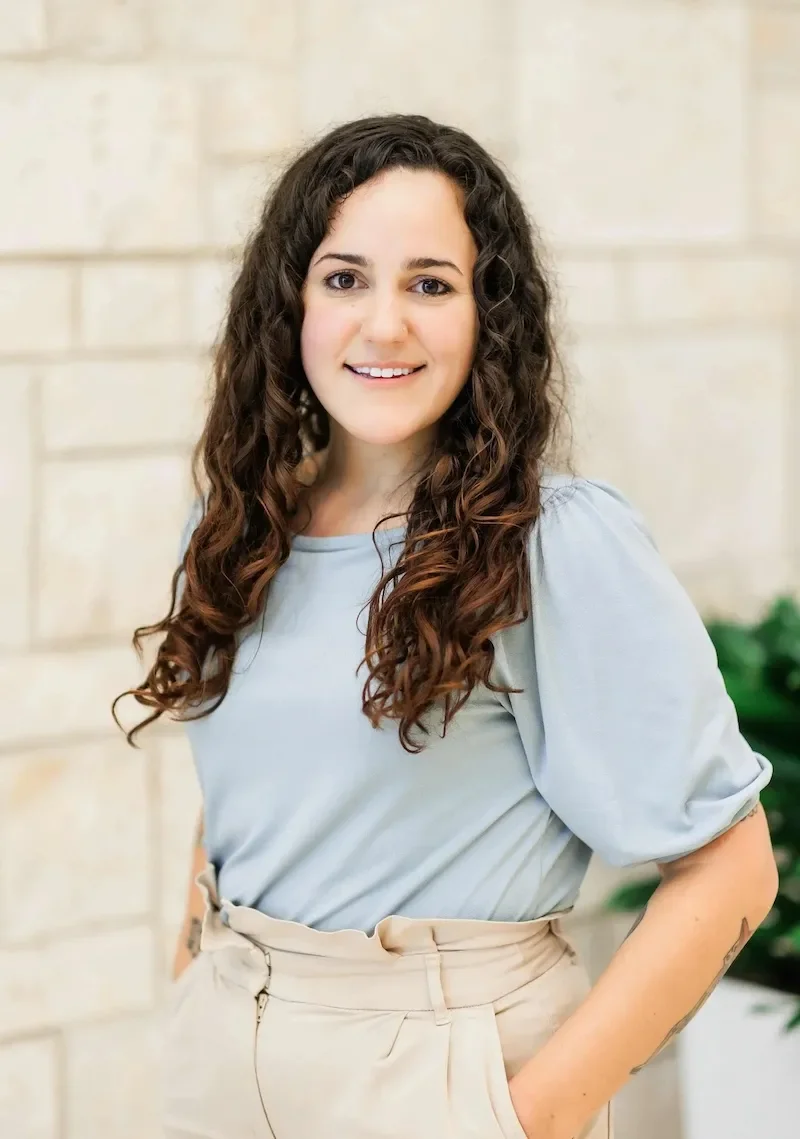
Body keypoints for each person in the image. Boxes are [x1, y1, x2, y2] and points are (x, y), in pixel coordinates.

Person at [112, 113, 778, 1139]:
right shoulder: (239, 523)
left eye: (430, 283)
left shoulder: (553, 543)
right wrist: (196, 958)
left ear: (486, 316)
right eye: (343, 279)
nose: (384, 324)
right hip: (223, 1054)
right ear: (288, 303)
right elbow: (262, 767)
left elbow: (729, 867)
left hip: (441, 1072)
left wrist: (530, 1117)